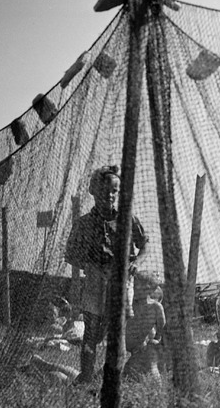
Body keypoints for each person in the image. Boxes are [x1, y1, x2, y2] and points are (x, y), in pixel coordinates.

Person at [64, 164, 148, 384]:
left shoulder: (127, 219)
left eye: (114, 191)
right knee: (92, 333)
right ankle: (86, 378)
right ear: (93, 190)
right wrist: (88, 265)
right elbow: (70, 254)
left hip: (121, 281)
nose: (109, 195)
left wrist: (136, 262)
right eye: (104, 190)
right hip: (95, 281)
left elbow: (144, 243)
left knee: (117, 332)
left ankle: (111, 378)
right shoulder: (84, 223)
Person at [123, 272, 166, 381]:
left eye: (138, 286)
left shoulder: (155, 307)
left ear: (149, 289)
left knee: (139, 371)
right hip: (124, 345)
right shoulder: (131, 306)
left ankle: (151, 373)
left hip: (141, 347)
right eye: (134, 286)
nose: (135, 289)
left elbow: (162, 326)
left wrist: (157, 338)